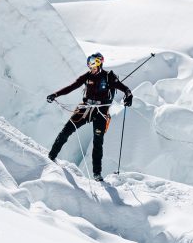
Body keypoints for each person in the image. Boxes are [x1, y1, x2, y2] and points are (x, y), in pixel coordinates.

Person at [46, 52, 132, 181]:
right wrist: (55, 94)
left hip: (101, 112)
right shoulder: (86, 76)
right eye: (90, 64)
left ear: (99, 63)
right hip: (85, 108)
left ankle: (97, 174)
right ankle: (51, 157)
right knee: (66, 130)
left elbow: (124, 88)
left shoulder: (109, 76)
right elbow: (71, 87)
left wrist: (129, 95)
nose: (91, 67)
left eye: (93, 63)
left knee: (98, 142)